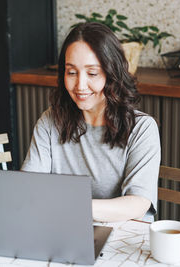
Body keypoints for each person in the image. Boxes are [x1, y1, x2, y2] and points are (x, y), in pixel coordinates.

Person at [21, 22, 160, 222]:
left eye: (92, 73)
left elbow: (138, 203)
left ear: (112, 74)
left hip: (122, 240)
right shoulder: (50, 121)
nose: (80, 85)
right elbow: (28, 187)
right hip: (63, 230)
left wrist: (72, 206)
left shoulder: (142, 128)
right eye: (71, 72)